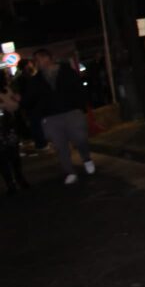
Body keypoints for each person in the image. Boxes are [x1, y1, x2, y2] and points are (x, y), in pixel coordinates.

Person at [20, 49, 94, 185]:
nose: (36, 63)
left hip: (71, 111)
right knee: (60, 146)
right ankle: (70, 172)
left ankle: (87, 159)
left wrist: (79, 106)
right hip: (51, 117)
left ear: (47, 58)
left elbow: (79, 88)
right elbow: (28, 99)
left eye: (38, 60)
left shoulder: (66, 72)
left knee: (80, 138)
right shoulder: (36, 80)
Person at [0, 71, 30, 195]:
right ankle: (12, 182)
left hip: (7, 126)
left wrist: (6, 104)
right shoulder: (6, 91)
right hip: (6, 126)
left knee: (12, 155)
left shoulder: (6, 90)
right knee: (4, 158)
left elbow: (14, 105)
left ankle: (17, 179)